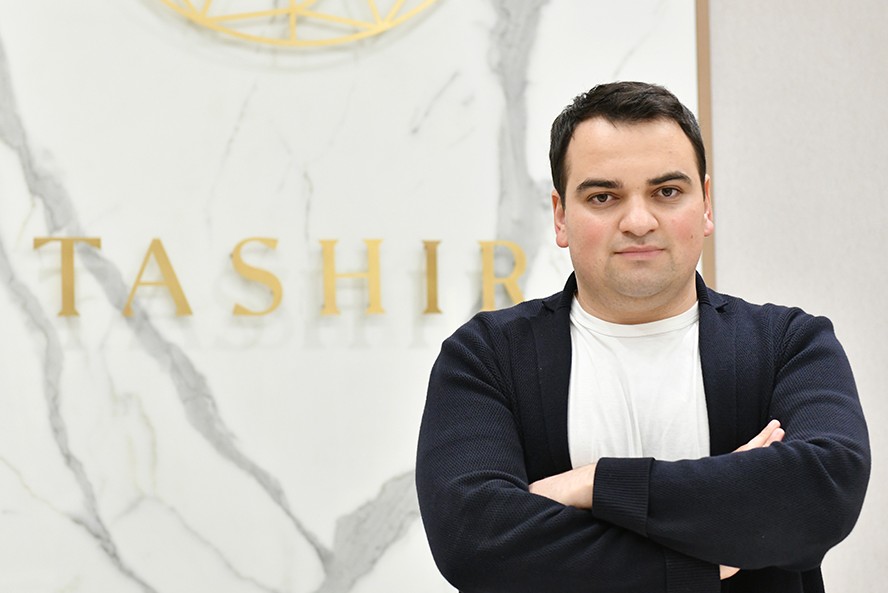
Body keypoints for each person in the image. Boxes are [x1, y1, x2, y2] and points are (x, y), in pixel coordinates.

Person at [415, 81, 870, 593]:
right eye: (603, 197)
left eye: (667, 192)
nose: (638, 221)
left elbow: (822, 493)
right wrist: (701, 553)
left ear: (706, 204)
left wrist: (594, 484)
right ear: (561, 216)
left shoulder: (788, 344)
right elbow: (475, 539)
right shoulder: (486, 357)